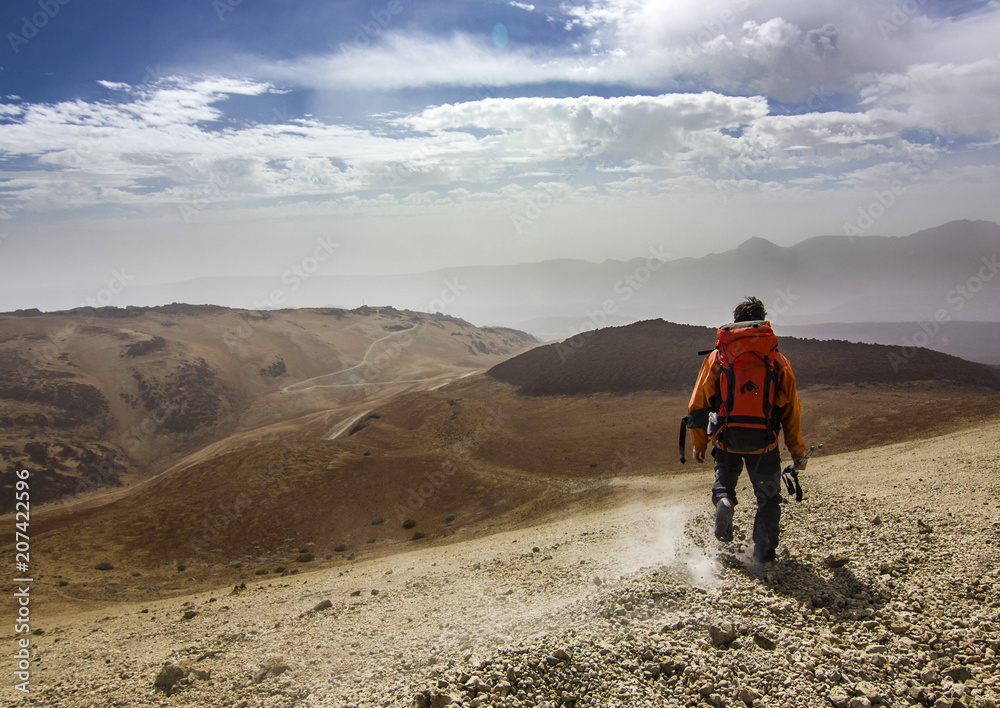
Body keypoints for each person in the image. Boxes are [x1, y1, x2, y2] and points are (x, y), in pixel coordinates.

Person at [686, 296, 806, 564]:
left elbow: (697, 404)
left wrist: (699, 443)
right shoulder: (777, 361)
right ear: (763, 322)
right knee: (768, 499)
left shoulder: (718, 358)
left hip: (726, 438)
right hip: (765, 442)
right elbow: (791, 411)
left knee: (725, 479)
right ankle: (763, 556)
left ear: (736, 323)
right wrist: (797, 451)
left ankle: (725, 501)